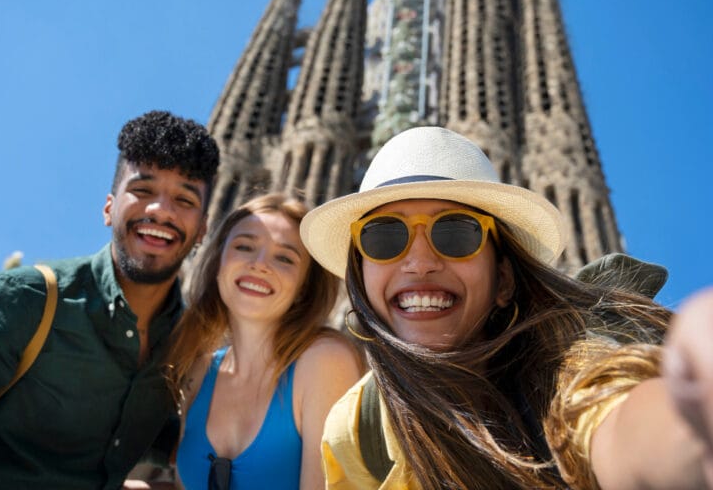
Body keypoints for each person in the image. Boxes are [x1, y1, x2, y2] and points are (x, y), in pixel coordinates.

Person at [299, 126, 712, 489]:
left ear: (504, 279)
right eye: (383, 238)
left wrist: (690, 428)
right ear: (361, 276)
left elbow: (617, 425)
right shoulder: (359, 427)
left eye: (457, 234)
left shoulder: (566, 363)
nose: (419, 262)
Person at [0, 110, 220, 489]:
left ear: (203, 228)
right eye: (142, 191)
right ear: (109, 207)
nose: (161, 210)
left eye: (185, 199)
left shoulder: (186, 352)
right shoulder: (25, 300)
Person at [167, 193, 363, 490]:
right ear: (219, 262)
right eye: (244, 247)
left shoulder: (323, 362)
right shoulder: (199, 371)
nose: (260, 264)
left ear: (303, 287)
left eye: (284, 258)